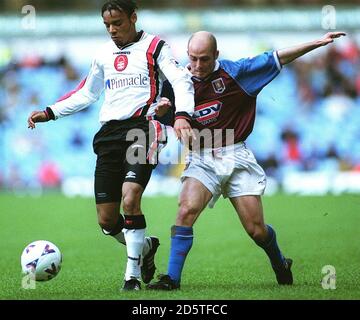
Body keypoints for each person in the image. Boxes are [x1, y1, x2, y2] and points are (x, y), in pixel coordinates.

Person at [146, 30, 346, 290]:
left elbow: (276, 58)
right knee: (186, 210)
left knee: (256, 230)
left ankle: (279, 262)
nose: (197, 66)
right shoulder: (177, 82)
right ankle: (171, 279)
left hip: (236, 156)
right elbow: (166, 114)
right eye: (193, 59)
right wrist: (163, 113)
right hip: (202, 158)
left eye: (204, 59)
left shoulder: (237, 74)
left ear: (216, 55)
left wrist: (316, 43)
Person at [27, 0, 195, 291]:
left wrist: (182, 115)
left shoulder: (156, 47)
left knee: (130, 199)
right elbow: (87, 93)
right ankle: (145, 247)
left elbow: (181, 80)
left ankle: (131, 277)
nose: (112, 30)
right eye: (107, 25)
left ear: (133, 18)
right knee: (107, 220)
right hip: (109, 135)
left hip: (144, 128)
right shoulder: (103, 53)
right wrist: (51, 112)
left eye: (117, 23)